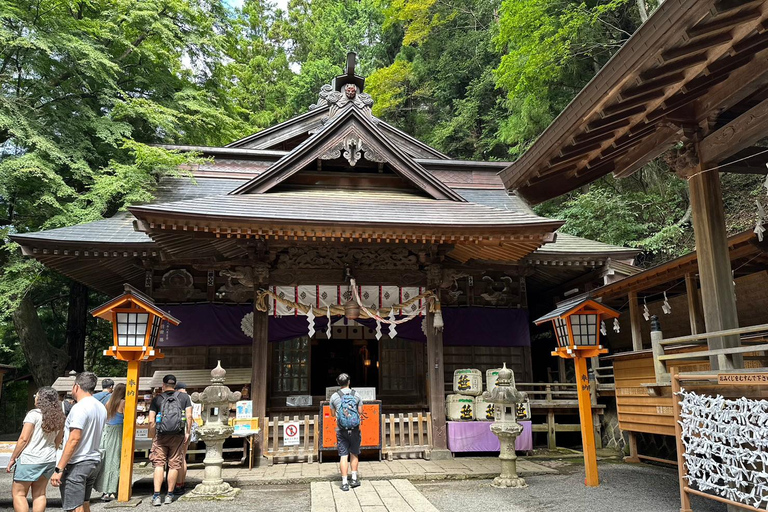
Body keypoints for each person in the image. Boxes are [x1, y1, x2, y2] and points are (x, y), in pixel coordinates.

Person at [50, 371, 107, 512]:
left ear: (76, 386)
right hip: (93, 460)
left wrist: (59, 469)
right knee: (84, 503)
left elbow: (74, 439)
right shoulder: (100, 407)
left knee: (74, 507)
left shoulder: (80, 408)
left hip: (78, 462)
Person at [7, 386, 66, 512]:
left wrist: (13, 458)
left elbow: (23, 439)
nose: (35, 398)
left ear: (41, 399)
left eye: (36, 396)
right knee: (39, 494)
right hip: (48, 459)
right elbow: (58, 440)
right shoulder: (60, 417)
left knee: (19, 494)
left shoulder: (33, 414)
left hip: (30, 458)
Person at [148, 374, 193, 506]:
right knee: (174, 464)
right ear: (175, 385)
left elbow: (151, 420)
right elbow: (189, 416)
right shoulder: (184, 398)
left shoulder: (157, 399)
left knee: (159, 464)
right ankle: (169, 494)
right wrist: (187, 432)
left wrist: (152, 435)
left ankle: (156, 495)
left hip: (161, 436)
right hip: (178, 435)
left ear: (163, 385)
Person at [329, 373, 363, 491]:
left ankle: (344, 482)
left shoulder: (334, 396)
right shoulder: (356, 395)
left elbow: (333, 414)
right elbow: (360, 411)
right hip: (354, 429)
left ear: (338, 383)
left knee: (343, 455)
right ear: (349, 382)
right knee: (354, 453)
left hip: (341, 429)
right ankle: (354, 479)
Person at [95, 383, 126, 501]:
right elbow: (128, 418)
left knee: (106, 461)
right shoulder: (123, 403)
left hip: (106, 431)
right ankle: (111, 491)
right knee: (114, 460)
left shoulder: (108, 402)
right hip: (116, 431)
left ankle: (105, 490)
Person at [172, 382, 190, 496]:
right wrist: (188, 431)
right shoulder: (188, 398)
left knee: (177, 458)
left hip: (177, 430)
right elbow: (190, 416)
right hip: (187, 429)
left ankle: (177, 484)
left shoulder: (175, 397)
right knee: (183, 457)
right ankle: (181, 483)